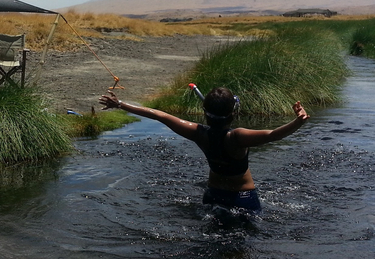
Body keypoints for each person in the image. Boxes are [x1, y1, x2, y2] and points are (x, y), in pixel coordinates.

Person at [98, 86, 309, 214]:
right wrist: (298, 121)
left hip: (213, 195)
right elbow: (273, 135)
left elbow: (160, 115)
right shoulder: (238, 137)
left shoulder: (198, 133)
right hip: (242, 198)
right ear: (233, 112)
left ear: (204, 112)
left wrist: (121, 104)